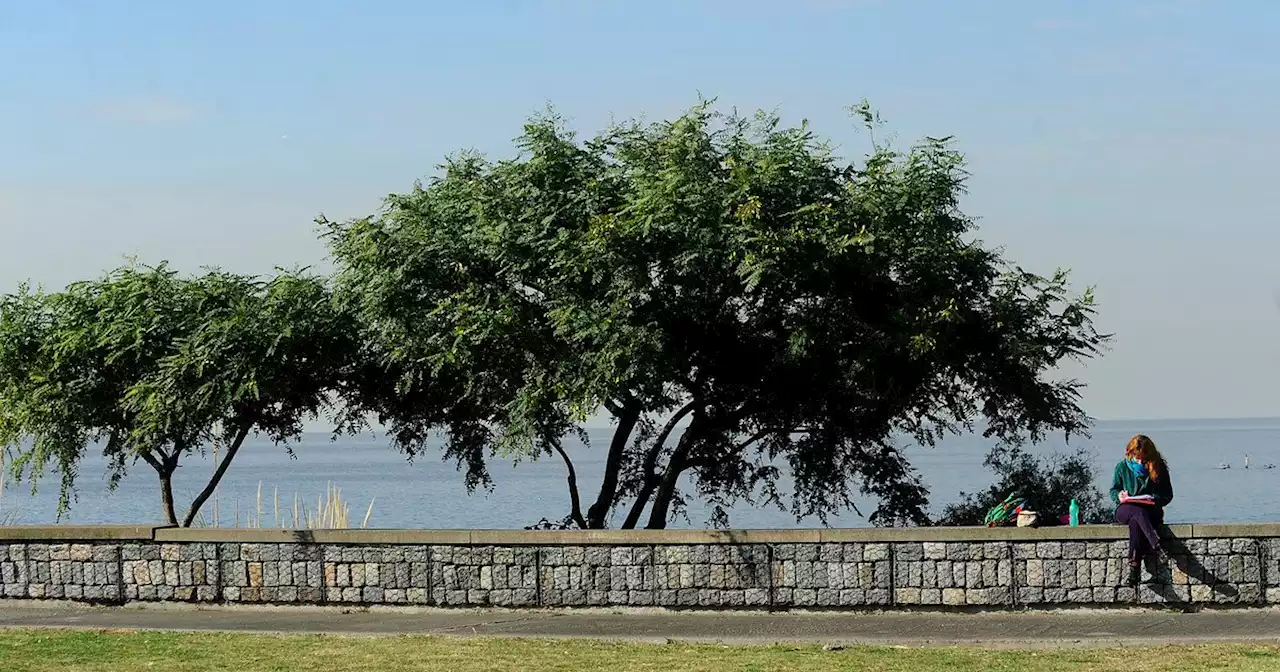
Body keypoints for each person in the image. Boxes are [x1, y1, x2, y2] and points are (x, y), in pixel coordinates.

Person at [1110, 434, 1174, 567]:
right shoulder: (1121, 467)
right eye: (1137, 457)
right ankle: (1156, 545)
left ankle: (1134, 565)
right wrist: (1119, 496)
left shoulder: (1159, 468)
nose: (1139, 462)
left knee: (1136, 520)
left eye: (1143, 458)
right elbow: (1114, 489)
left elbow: (1167, 494)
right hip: (1125, 508)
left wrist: (1154, 498)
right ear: (1130, 453)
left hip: (1151, 510)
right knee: (1136, 511)